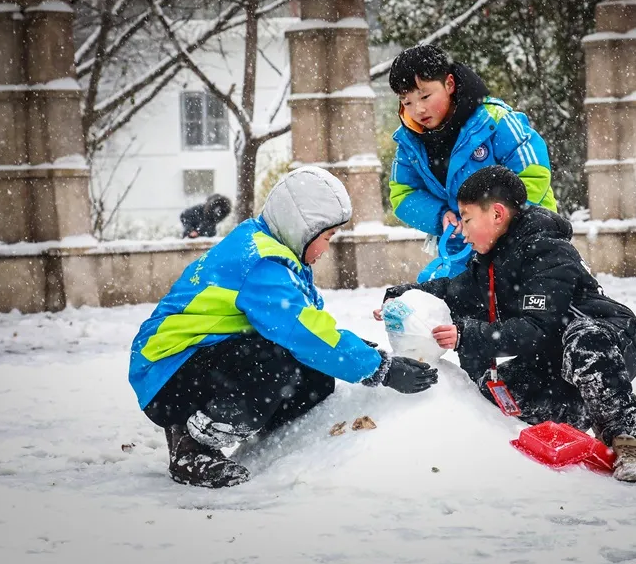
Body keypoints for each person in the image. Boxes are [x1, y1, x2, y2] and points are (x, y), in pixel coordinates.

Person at [130, 167, 439, 488]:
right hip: (167, 372)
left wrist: (368, 354)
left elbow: (313, 330)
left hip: (192, 363)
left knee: (313, 377)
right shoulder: (263, 263)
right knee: (278, 361)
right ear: (302, 226)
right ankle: (192, 448)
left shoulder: (266, 245)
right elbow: (302, 334)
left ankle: (260, 437)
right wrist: (382, 370)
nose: (326, 249)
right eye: (327, 237)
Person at [375, 166, 636, 482]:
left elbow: (536, 327)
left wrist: (467, 336)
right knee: (494, 392)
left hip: (610, 339)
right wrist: (401, 295)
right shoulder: (494, 261)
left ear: (496, 214)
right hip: (552, 358)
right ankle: (594, 405)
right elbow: (452, 290)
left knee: (583, 340)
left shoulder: (548, 250)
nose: (462, 232)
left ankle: (627, 442)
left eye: (466, 219)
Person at [387, 44, 557, 277]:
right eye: (406, 102)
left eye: (425, 96)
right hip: (464, 245)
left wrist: (491, 219)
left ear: (449, 84)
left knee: (523, 301)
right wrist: (440, 215)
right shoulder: (409, 142)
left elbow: (534, 172)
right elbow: (402, 193)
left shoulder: (495, 120)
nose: (418, 109)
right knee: (429, 293)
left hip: (525, 238)